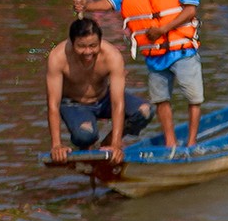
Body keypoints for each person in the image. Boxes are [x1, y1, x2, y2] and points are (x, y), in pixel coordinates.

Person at [74, 0, 203, 150]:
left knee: (193, 98)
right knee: (161, 99)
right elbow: (110, 2)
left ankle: (191, 142)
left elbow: (191, 9)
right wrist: (87, 4)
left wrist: (163, 29)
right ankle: (170, 142)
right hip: (154, 54)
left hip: (182, 49)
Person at [44, 18, 150, 166]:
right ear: (71, 42)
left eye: (93, 46)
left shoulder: (112, 56)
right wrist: (56, 145)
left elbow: (117, 102)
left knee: (145, 111)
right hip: (74, 104)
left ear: (100, 41)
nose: (88, 52)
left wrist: (116, 144)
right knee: (86, 135)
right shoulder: (58, 57)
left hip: (103, 98)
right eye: (81, 46)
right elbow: (53, 104)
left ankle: (107, 143)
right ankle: (85, 151)